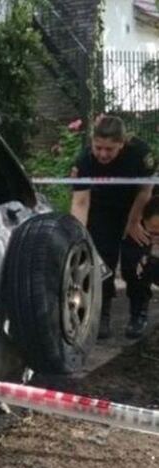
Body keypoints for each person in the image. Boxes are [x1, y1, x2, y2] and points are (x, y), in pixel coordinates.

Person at [70, 115, 156, 339]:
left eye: (110, 149)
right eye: (99, 147)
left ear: (122, 143)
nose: (103, 154)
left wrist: (134, 221)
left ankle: (139, 312)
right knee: (100, 261)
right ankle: (102, 313)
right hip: (102, 210)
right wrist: (79, 236)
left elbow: (145, 191)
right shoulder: (85, 160)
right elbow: (80, 202)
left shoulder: (140, 154)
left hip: (135, 207)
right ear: (92, 142)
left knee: (134, 261)